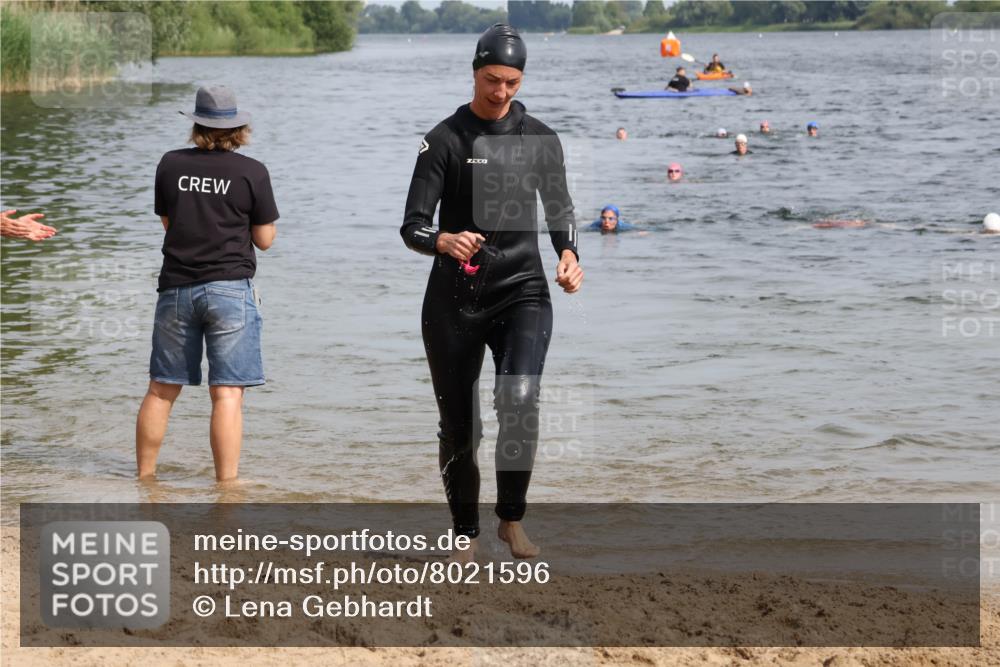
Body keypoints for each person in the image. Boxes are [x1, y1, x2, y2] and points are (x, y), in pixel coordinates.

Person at [400, 24, 583, 562]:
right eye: (491, 79)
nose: (501, 92)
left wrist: (569, 256)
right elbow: (411, 226)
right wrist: (443, 240)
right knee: (460, 426)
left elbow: (561, 212)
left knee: (519, 401)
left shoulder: (540, 139)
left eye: (511, 81)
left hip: (521, 289)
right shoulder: (443, 140)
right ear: (474, 72)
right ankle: (464, 534)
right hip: (453, 299)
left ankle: (511, 521)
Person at [136, 85, 278, 482]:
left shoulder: (169, 164)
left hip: (176, 288)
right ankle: (226, 488)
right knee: (228, 393)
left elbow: (169, 224)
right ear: (238, 127)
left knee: (161, 389)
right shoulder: (252, 171)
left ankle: (145, 480)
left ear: (196, 124)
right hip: (230, 290)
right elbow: (264, 241)